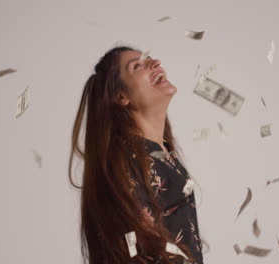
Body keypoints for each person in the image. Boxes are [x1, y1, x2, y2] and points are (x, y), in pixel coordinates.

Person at [69, 45, 207, 264]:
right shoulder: (126, 160)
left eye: (151, 59)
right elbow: (136, 249)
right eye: (138, 66)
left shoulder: (158, 152)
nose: (156, 63)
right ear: (121, 96)